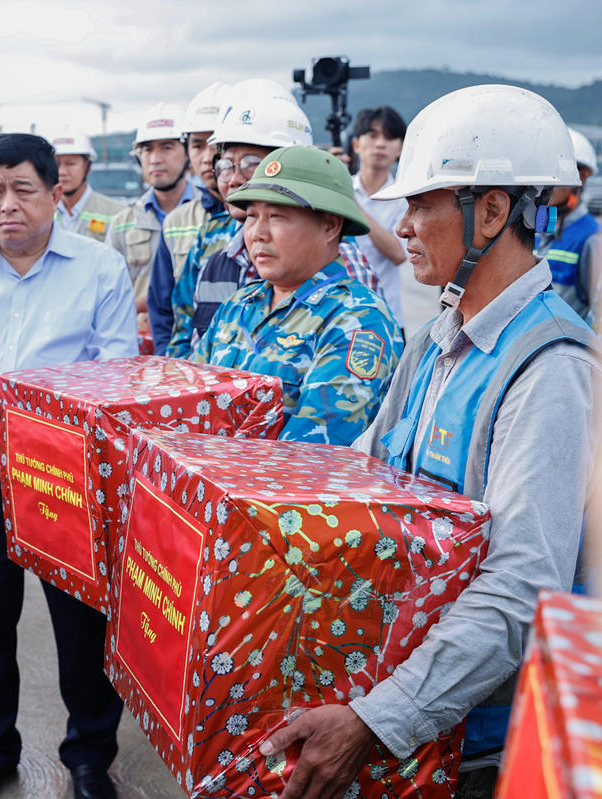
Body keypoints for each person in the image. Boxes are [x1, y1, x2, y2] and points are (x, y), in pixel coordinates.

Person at [259, 85, 597, 799]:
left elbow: (519, 588)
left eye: (421, 205)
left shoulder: (551, 367)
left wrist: (375, 719)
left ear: (493, 212)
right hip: (405, 709)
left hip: (471, 744)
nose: (402, 225)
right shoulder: (438, 336)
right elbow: (368, 473)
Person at [0, 133, 138, 799]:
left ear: (54, 193)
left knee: (81, 627)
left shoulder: (99, 267)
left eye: (23, 189)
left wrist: (50, 452)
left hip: (69, 485)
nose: (7, 204)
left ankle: (91, 754)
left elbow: (115, 371)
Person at [192, 146, 403, 445]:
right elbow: (188, 404)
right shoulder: (237, 305)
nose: (256, 233)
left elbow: (312, 453)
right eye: (251, 216)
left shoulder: (357, 320)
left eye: (276, 216)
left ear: (330, 225)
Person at [184, 91, 379, 354]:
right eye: (227, 164)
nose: (234, 179)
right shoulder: (227, 282)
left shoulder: (349, 284)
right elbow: (190, 358)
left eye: (253, 164)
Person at [150, 82, 230, 355]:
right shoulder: (176, 222)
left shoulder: (259, 218)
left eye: (216, 144)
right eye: (197, 145)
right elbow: (163, 310)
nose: (208, 157)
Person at [106, 103, 195, 327]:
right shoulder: (122, 224)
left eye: (167, 147)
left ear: (188, 153)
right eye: (147, 149)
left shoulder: (211, 215)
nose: (155, 158)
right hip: (141, 346)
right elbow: (107, 294)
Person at [348, 106, 409, 328]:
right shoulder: (338, 189)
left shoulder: (406, 199)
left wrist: (351, 205)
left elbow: (398, 253)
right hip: (339, 316)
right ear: (356, 144)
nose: (381, 143)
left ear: (400, 148)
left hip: (387, 318)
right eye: (373, 135)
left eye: (390, 137)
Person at [544, 127, 601, 320]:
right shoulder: (534, 232)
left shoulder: (592, 239)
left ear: (581, 176)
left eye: (556, 174)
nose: (546, 181)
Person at [50, 131, 123, 242]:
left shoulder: (116, 213)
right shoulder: (43, 211)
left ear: (88, 167)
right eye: (56, 164)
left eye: (71, 163)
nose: (62, 172)